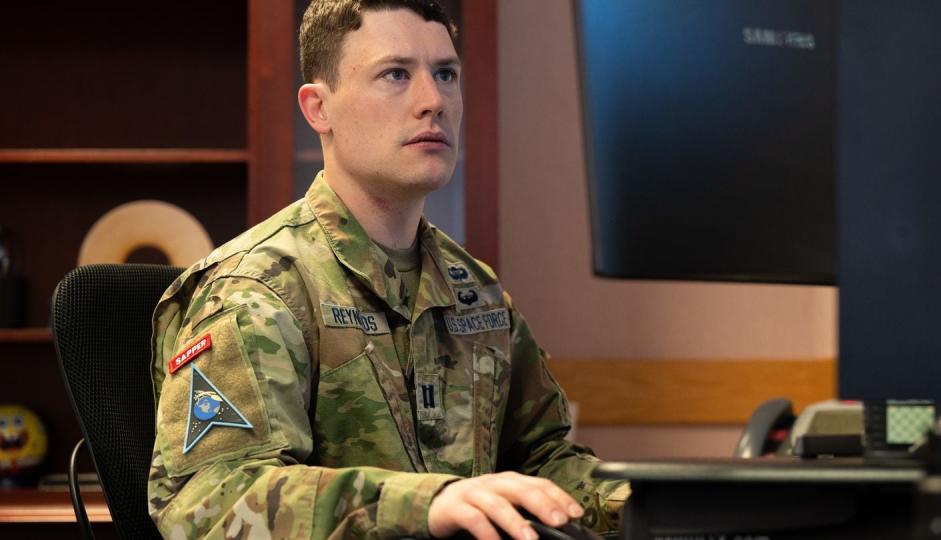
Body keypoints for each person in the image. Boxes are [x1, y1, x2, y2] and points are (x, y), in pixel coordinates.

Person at [147, 1, 628, 538]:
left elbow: (540, 458)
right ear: (318, 109)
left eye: (446, 74)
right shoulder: (256, 290)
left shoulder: (475, 289)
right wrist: (426, 504)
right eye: (396, 74)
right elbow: (212, 501)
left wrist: (655, 505)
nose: (434, 101)